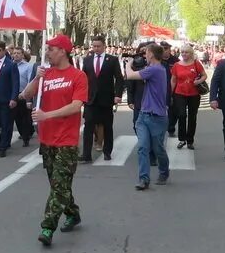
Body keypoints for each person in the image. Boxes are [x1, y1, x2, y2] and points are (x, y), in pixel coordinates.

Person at [20, 35, 88, 247]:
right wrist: (37, 78)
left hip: (66, 141)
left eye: (51, 49)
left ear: (63, 51)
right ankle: (73, 213)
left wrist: (46, 115)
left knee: (59, 187)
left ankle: (47, 227)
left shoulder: (78, 76)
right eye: (47, 49)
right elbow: (25, 95)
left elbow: (76, 106)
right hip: (47, 139)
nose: (47, 52)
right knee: (58, 185)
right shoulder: (45, 74)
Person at [122, 44, 170, 191]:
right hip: (144, 115)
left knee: (158, 148)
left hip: (157, 117)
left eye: (146, 53)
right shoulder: (154, 69)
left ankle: (164, 171)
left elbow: (129, 75)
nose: (145, 56)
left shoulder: (155, 69)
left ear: (151, 55)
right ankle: (144, 179)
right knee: (142, 147)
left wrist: (128, 64)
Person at [80, 35, 124, 162]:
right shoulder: (87, 60)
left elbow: (119, 78)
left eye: (98, 46)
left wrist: (118, 95)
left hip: (106, 99)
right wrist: (82, 96)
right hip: (90, 100)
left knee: (107, 127)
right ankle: (86, 155)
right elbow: (83, 79)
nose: (96, 48)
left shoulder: (112, 60)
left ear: (104, 46)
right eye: (94, 46)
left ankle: (107, 152)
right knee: (88, 127)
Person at [170, 45, 206, 150]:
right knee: (181, 115)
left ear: (191, 53)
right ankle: (182, 139)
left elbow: (204, 75)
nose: (184, 54)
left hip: (194, 94)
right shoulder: (176, 65)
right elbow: (173, 80)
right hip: (179, 93)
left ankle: (190, 140)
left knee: (192, 117)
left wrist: (198, 81)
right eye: (182, 52)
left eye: (186, 52)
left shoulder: (196, 64)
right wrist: (170, 94)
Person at [12, 48, 37, 147]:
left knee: (25, 118)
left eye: (18, 53)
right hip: (14, 95)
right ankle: (23, 134)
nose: (16, 55)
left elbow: (30, 81)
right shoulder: (10, 65)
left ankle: (26, 137)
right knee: (17, 118)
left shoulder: (28, 66)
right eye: (14, 53)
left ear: (23, 55)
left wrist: (27, 95)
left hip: (24, 94)